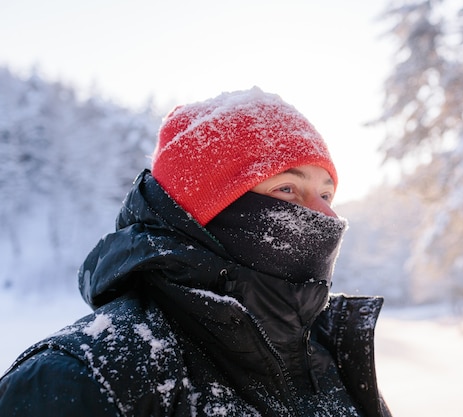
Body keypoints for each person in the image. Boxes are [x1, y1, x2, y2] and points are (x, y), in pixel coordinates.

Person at [0, 87, 392, 417]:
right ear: (203, 211)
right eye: (286, 189)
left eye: (327, 193)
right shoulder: (86, 376)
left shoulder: (332, 353)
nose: (327, 215)